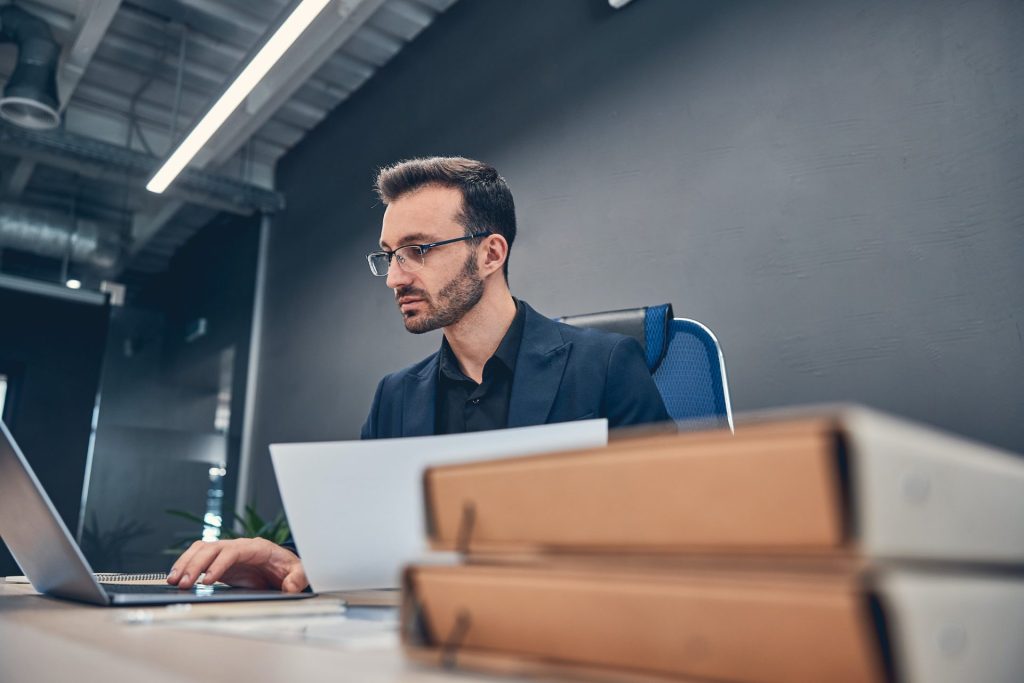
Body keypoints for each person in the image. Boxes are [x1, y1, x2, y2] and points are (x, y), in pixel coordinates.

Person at [167, 157, 669, 593]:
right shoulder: (397, 395)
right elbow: (359, 533)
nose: (394, 277)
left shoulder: (605, 365)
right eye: (389, 255)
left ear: (491, 253)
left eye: (418, 250)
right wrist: (288, 558)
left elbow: (676, 524)